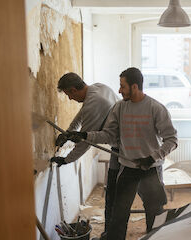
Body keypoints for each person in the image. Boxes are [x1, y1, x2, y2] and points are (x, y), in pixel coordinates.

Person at [68, 67, 178, 240]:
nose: (119, 90)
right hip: (127, 169)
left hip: (151, 169)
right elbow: (109, 135)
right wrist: (85, 135)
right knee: (118, 214)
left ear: (135, 87)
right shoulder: (119, 108)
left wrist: (152, 157)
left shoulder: (156, 108)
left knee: (155, 213)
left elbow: (172, 140)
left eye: (122, 86)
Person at [48, 72, 120, 239]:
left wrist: (66, 160)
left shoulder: (93, 104)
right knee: (112, 194)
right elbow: (80, 117)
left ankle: (111, 235)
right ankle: (109, 234)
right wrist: (67, 134)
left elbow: (85, 142)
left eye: (68, 95)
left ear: (73, 90)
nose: (70, 99)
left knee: (114, 196)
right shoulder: (97, 88)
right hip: (119, 145)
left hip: (122, 148)